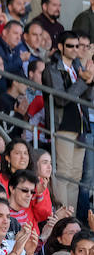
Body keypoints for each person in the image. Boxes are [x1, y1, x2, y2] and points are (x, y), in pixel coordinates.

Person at [43, 31, 94, 209]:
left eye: (77, 46)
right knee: (63, 174)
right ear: (60, 47)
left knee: (75, 176)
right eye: (70, 46)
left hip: (81, 124)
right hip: (63, 124)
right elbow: (60, 99)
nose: (74, 49)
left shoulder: (77, 66)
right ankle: (62, 219)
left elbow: (88, 97)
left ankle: (70, 218)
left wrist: (90, 81)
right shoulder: (52, 68)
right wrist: (83, 80)